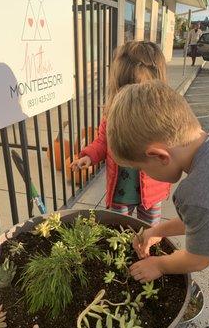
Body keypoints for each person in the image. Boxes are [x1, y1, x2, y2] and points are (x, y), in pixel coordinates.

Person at [106, 80, 209, 328]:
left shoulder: (198, 189)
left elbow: (197, 260)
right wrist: (160, 229)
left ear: (159, 155)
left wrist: (159, 264)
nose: (143, 175)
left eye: (141, 169)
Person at [71, 41, 170, 225]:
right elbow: (102, 142)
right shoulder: (112, 116)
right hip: (121, 190)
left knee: (149, 229)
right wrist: (89, 156)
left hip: (152, 189)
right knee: (118, 227)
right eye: (126, 90)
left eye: (140, 90)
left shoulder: (162, 118)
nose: (132, 97)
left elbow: (175, 145)